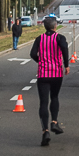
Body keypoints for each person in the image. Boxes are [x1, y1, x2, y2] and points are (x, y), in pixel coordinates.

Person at [29, 16, 70, 146]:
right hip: (56, 73)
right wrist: (66, 64)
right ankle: (54, 122)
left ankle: (45, 131)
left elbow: (32, 54)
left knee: (43, 102)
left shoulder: (39, 39)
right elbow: (64, 48)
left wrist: (40, 61)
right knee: (54, 97)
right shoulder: (59, 38)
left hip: (43, 74)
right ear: (55, 26)